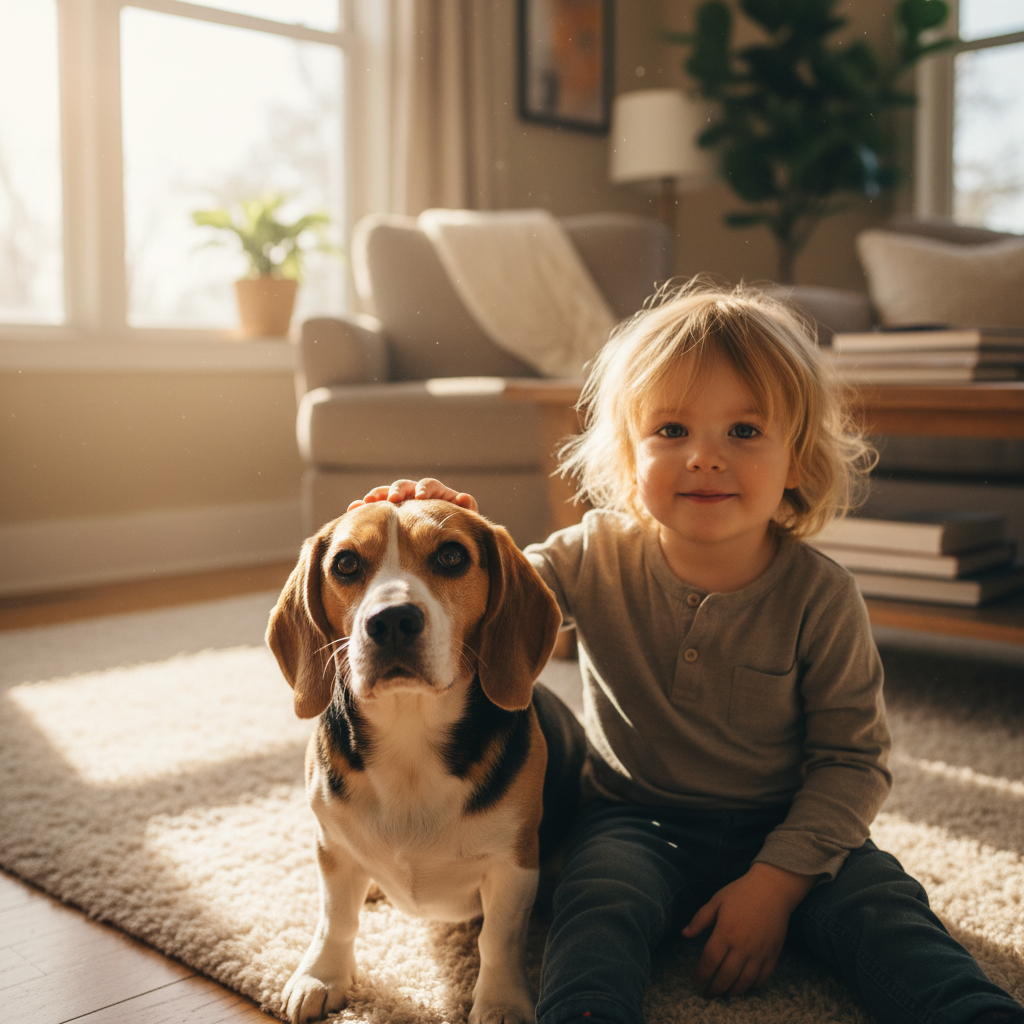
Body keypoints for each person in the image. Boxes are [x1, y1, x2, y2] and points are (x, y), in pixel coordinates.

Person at [351, 282, 1024, 1024]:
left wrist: (776, 881)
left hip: (792, 824)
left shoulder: (823, 597)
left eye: (744, 431)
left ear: (797, 459)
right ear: (626, 456)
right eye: (671, 430)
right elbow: (490, 605)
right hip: (634, 819)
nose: (704, 457)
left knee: (892, 917)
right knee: (593, 912)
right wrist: (447, 542)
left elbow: (853, 763)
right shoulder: (590, 556)